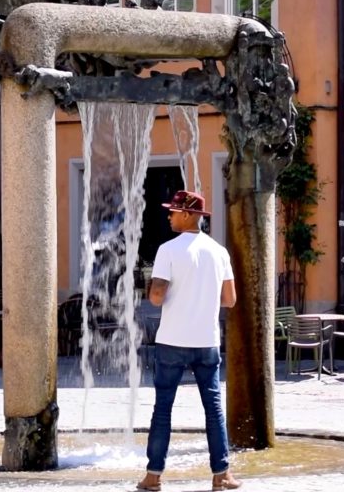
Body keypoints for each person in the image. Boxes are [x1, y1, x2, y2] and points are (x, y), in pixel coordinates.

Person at [136, 190, 241, 492]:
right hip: (206, 340)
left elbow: (156, 297)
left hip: (171, 341)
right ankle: (222, 475)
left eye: (172, 211)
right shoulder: (219, 252)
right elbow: (230, 300)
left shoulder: (168, 250)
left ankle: (153, 476)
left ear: (187, 214)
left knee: (163, 410)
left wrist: (159, 290)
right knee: (213, 409)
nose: (168, 216)